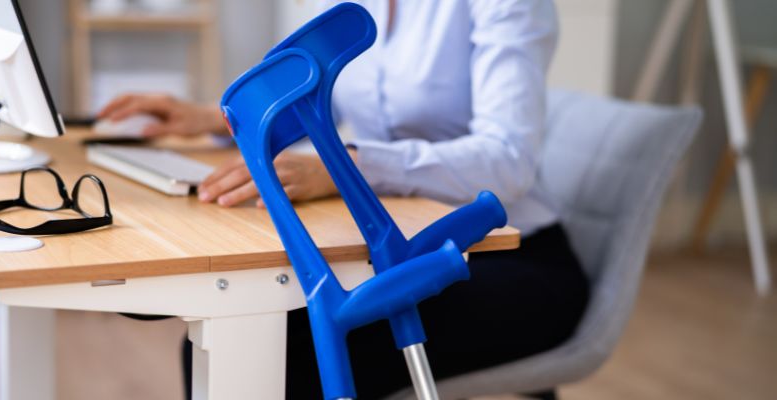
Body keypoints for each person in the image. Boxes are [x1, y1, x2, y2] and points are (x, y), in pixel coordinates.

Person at [99, 0, 589, 398]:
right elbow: (319, 98)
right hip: (398, 245)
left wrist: (344, 166)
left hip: (508, 259)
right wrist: (210, 117)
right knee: (231, 336)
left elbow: (508, 161)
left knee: (276, 348)